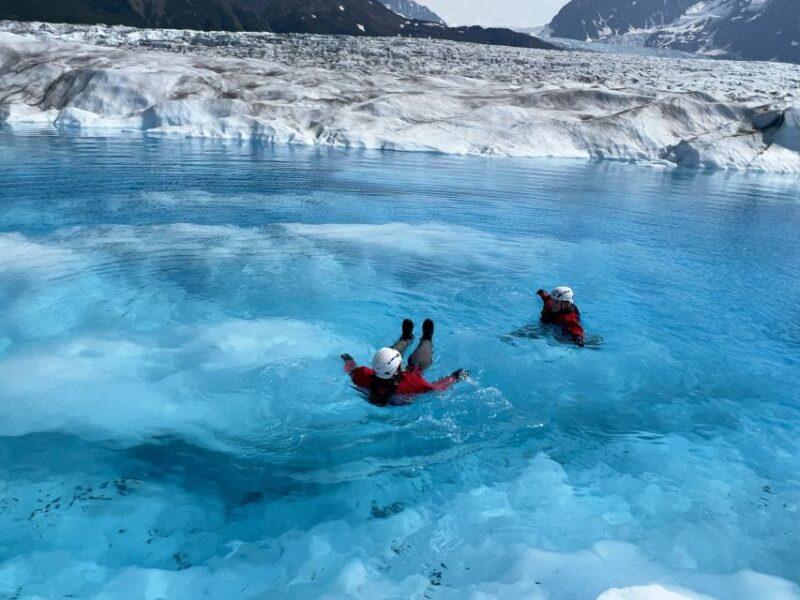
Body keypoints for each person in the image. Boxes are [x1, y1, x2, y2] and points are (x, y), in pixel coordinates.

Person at [341, 319, 469, 406]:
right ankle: (426, 339)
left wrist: (348, 361)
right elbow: (436, 388)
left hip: (387, 385)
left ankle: (406, 338)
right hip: (403, 389)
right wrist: (456, 377)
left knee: (391, 354)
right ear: (398, 369)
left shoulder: (363, 375)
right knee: (417, 364)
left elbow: (351, 370)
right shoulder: (413, 383)